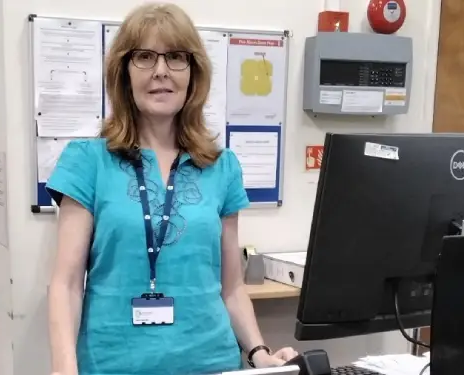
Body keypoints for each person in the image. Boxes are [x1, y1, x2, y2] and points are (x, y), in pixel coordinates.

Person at [46, 3, 298, 375]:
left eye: (176, 57)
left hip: (211, 363)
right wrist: (63, 367)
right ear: (124, 71)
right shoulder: (87, 161)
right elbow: (66, 285)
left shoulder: (221, 166)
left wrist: (260, 352)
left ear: (193, 73)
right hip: (112, 364)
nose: (161, 71)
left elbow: (231, 287)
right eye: (145, 57)